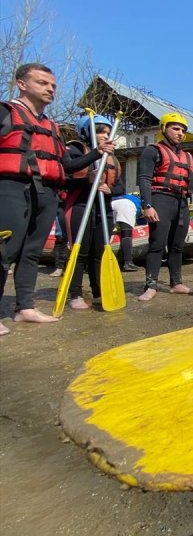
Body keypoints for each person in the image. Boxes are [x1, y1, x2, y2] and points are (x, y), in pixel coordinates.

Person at [0, 63, 114, 334]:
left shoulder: (51, 126)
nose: (50, 88)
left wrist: (98, 153)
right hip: (11, 188)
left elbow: (68, 165)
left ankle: (24, 307)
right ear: (22, 84)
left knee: (31, 253)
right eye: (42, 83)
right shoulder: (6, 112)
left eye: (52, 85)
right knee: (4, 252)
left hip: (46, 192)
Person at [136, 112, 193, 301]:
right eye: (175, 128)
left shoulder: (187, 157)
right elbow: (144, 179)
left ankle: (176, 283)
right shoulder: (153, 150)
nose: (180, 133)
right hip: (160, 200)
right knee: (157, 244)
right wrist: (147, 205)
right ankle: (150, 285)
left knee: (177, 246)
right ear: (163, 129)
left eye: (183, 130)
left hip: (181, 203)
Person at [62, 114, 123, 309]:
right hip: (80, 205)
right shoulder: (74, 149)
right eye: (99, 131)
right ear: (86, 132)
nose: (104, 135)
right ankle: (75, 294)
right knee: (81, 252)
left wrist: (110, 189)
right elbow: (66, 172)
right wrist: (88, 178)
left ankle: (98, 291)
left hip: (102, 208)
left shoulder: (112, 157)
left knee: (99, 253)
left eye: (106, 132)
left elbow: (121, 186)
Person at [111, 190, 142, 271]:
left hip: (112, 202)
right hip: (127, 205)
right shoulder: (144, 200)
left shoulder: (129, 194)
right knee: (127, 234)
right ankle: (128, 262)